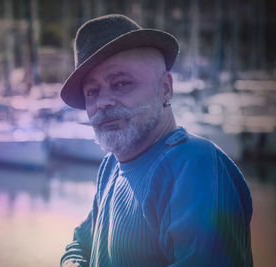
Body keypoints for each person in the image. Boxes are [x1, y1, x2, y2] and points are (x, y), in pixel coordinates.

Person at [59, 14, 253, 267]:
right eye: (92, 92)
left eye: (120, 83)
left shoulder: (195, 166)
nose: (102, 102)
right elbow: (79, 245)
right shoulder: (110, 166)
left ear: (165, 88)